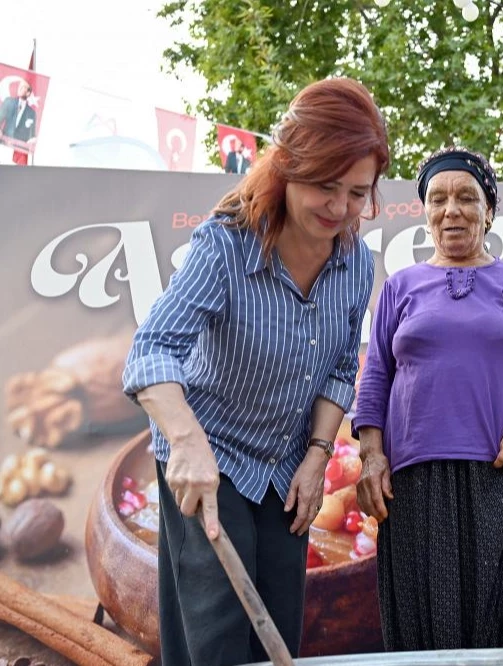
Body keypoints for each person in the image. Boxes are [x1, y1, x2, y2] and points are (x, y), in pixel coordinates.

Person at [122, 77, 388, 666]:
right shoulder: (227, 245)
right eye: (325, 186)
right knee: (216, 635)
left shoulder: (355, 264)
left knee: (278, 634)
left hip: (285, 466)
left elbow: (340, 367)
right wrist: (187, 443)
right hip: (208, 455)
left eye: (357, 192)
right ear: (288, 167)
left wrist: (317, 457)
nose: (340, 208)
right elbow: (152, 349)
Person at [353, 146, 503, 651]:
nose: (452, 210)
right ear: (426, 213)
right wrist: (372, 456)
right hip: (416, 483)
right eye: (438, 199)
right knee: (427, 630)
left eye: (467, 198)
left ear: (488, 211)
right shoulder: (399, 288)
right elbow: (375, 378)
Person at [0, 81, 37, 165]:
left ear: (28, 93)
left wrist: (33, 139)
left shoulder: (31, 113)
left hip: (19, 150)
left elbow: (32, 135)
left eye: (23, 87)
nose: (19, 88)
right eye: (19, 86)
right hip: (4, 144)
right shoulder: (9, 101)